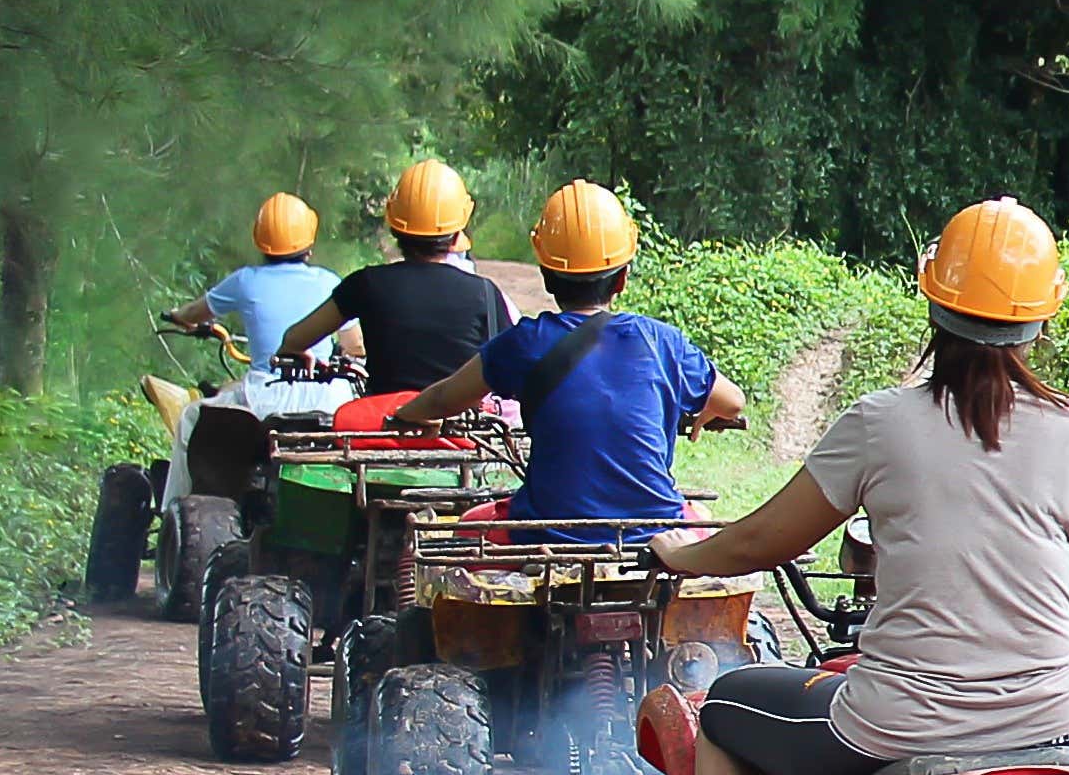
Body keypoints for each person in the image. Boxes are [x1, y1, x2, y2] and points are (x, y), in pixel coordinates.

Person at [652, 199, 1069, 775]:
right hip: (1060, 719)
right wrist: (1059, 548)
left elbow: (768, 538)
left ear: (932, 299)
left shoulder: (880, 422)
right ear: (1044, 319)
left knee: (725, 709)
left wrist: (683, 555)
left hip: (896, 726)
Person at [386, 181, 747, 538]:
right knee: (698, 515)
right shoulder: (663, 342)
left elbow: (443, 398)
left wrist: (405, 415)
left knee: (468, 528)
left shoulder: (522, 343)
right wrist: (703, 411)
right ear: (622, 278)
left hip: (544, 529)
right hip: (653, 532)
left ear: (546, 276)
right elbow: (733, 402)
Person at [271, 161, 511, 396]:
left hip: (383, 423)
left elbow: (295, 339)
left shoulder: (365, 284)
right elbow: (513, 364)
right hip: (458, 430)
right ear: (457, 231)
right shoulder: (485, 293)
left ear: (395, 227)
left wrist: (295, 350)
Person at [160, 193, 350, 368]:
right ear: (309, 247)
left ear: (260, 242)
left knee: (199, 405)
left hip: (264, 391)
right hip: (324, 393)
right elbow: (355, 343)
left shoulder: (244, 280)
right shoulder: (329, 282)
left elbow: (194, 312)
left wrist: (178, 316)